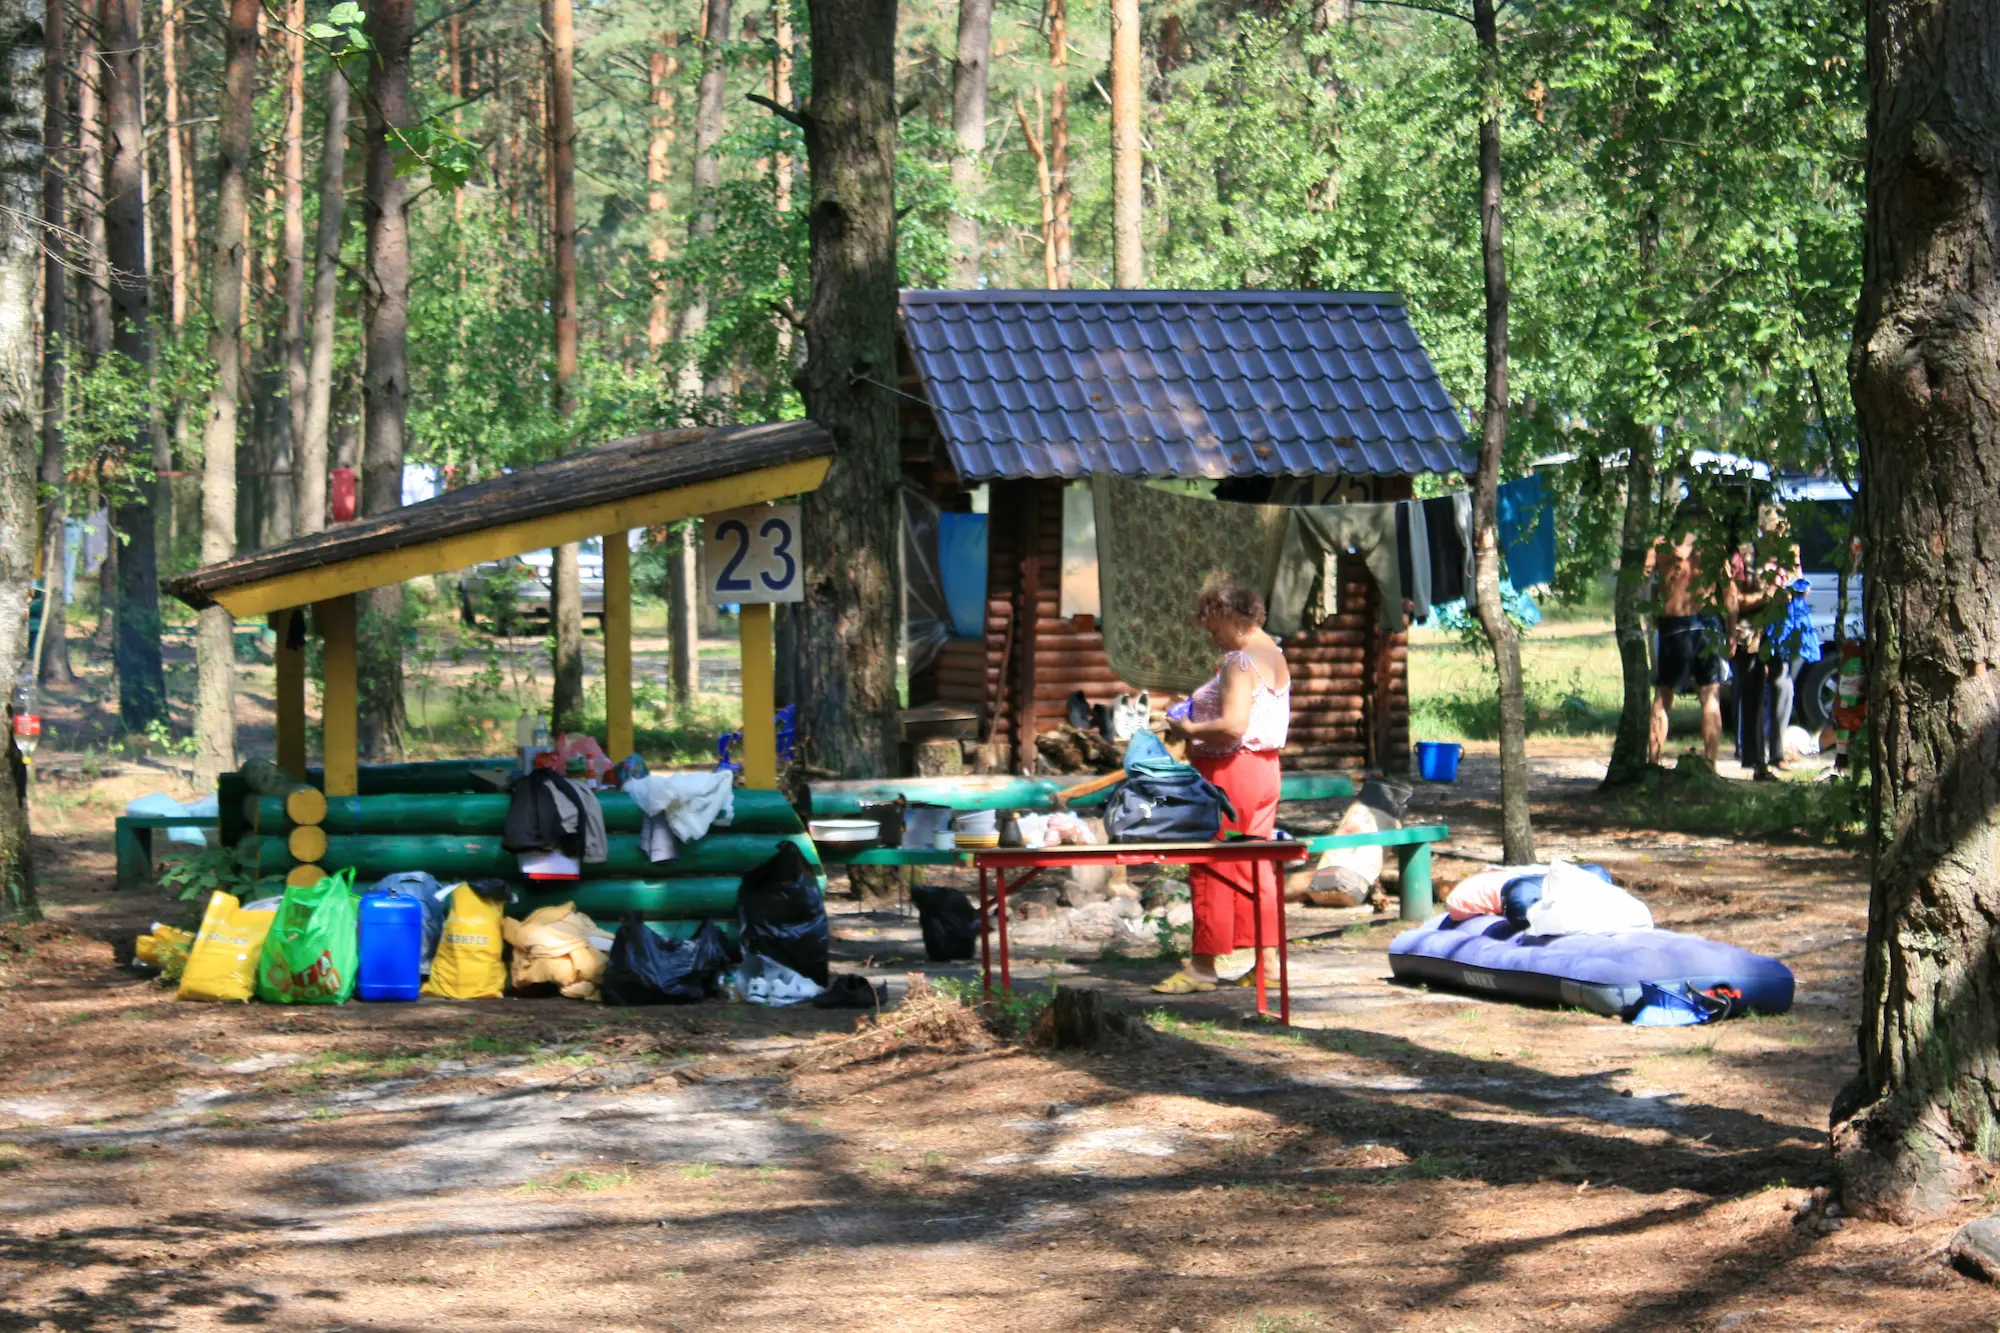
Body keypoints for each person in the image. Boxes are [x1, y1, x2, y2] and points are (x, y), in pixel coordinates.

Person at [1154, 581, 1290, 994]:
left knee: (1210, 862)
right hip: (1264, 771)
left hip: (1231, 770)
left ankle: (1203, 966)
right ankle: (1267, 962)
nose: (1210, 635)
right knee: (1256, 863)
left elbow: (1233, 725)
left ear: (1233, 618)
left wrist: (1188, 727)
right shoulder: (1273, 654)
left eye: (1213, 626)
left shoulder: (1240, 660)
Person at [1645, 504, 1727, 766]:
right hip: (1708, 625)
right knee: (1709, 696)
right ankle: (1710, 763)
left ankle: (1654, 761)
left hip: (1674, 624)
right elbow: (1730, 593)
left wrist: (1652, 611)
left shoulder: (1662, 546)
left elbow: (1642, 582)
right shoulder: (1714, 549)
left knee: (1663, 696)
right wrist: (1733, 631)